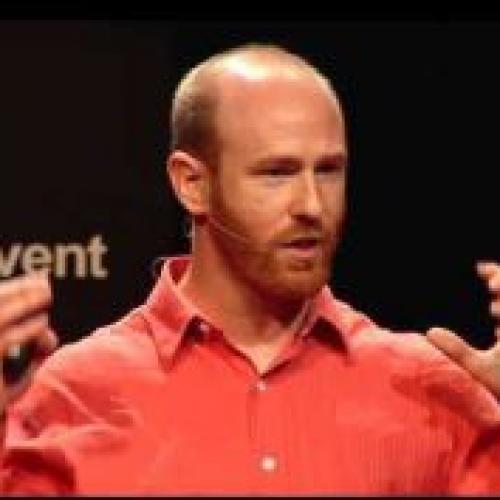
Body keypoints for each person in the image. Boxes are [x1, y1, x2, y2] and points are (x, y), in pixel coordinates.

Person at [1, 43, 500, 494]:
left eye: (329, 170)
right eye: (277, 173)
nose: (312, 205)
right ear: (192, 184)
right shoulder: (73, 396)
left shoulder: (430, 392)